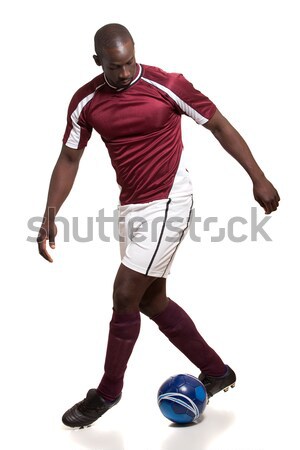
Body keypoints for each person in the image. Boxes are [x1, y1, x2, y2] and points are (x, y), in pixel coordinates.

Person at [37, 23, 280, 428]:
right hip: (130, 208)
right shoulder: (86, 101)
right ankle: (217, 371)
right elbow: (69, 159)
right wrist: (49, 215)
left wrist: (258, 177)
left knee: (124, 293)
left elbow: (218, 124)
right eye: (115, 66)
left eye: (130, 61)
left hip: (169, 200)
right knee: (151, 301)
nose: (125, 71)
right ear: (99, 62)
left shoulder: (166, 85)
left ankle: (108, 392)